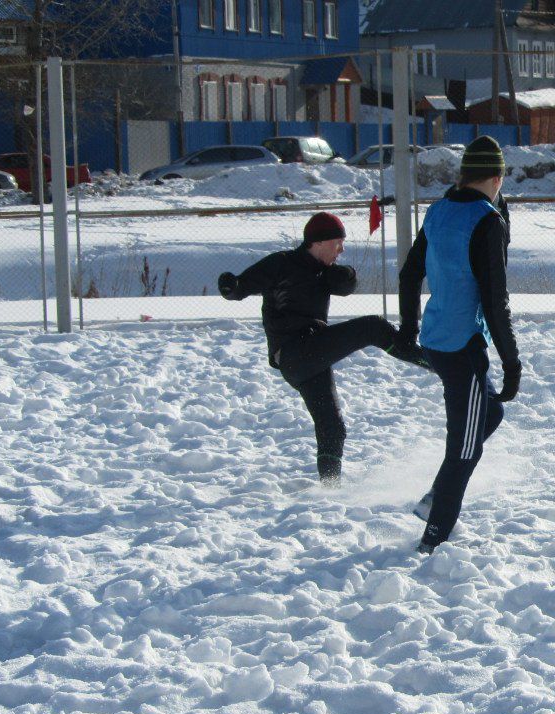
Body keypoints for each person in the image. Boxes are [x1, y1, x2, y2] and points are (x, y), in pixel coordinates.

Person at [218, 212, 425, 486]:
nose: (341, 250)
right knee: (372, 327)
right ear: (319, 242)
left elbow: (346, 285)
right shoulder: (281, 263)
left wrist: (347, 275)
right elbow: (242, 286)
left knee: (333, 428)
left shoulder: (324, 272)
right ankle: (434, 362)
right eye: (338, 243)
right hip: (294, 351)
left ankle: (330, 489)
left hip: (311, 357)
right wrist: (230, 286)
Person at [397, 135, 520, 554]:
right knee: (464, 451)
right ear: (497, 178)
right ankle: (432, 542)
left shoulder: (440, 209)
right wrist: (512, 363)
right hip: (462, 349)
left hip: (437, 338)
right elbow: (495, 301)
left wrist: (409, 327)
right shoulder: (486, 221)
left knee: (491, 412)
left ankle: (435, 498)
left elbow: (409, 275)